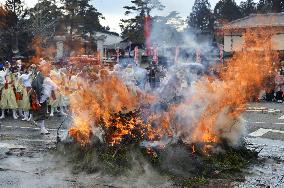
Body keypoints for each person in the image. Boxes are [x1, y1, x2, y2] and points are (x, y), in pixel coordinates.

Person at [31, 60, 56, 134]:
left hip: (41, 97)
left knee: (41, 112)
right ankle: (41, 127)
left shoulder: (41, 75)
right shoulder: (40, 76)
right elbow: (35, 85)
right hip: (39, 97)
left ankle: (39, 125)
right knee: (42, 112)